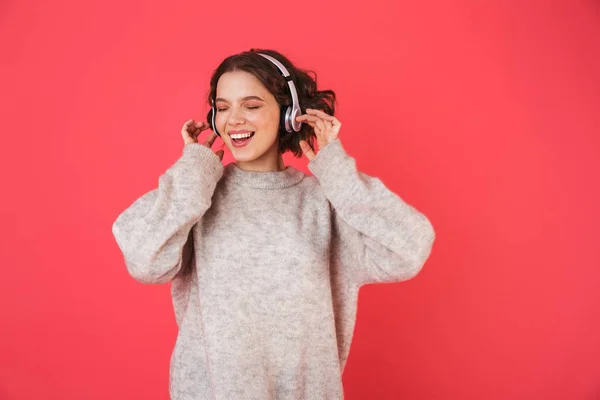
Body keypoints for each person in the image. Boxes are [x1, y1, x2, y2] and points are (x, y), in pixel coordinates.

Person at [112, 48, 435, 400]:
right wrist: (193, 172)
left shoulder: (323, 202)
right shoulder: (196, 197)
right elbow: (145, 262)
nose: (233, 119)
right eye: (222, 107)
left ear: (288, 114)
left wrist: (336, 169)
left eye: (251, 106)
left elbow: (409, 248)